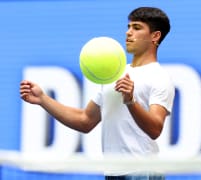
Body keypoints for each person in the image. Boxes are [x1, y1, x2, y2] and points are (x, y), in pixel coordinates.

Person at [20, 7, 175, 180]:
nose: (128, 33)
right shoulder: (115, 74)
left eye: (137, 28)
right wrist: (42, 99)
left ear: (155, 36)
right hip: (112, 172)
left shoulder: (160, 77)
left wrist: (131, 101)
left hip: (143, 172)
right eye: (128, 27)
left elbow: (155, 128)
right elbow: (85, 121)